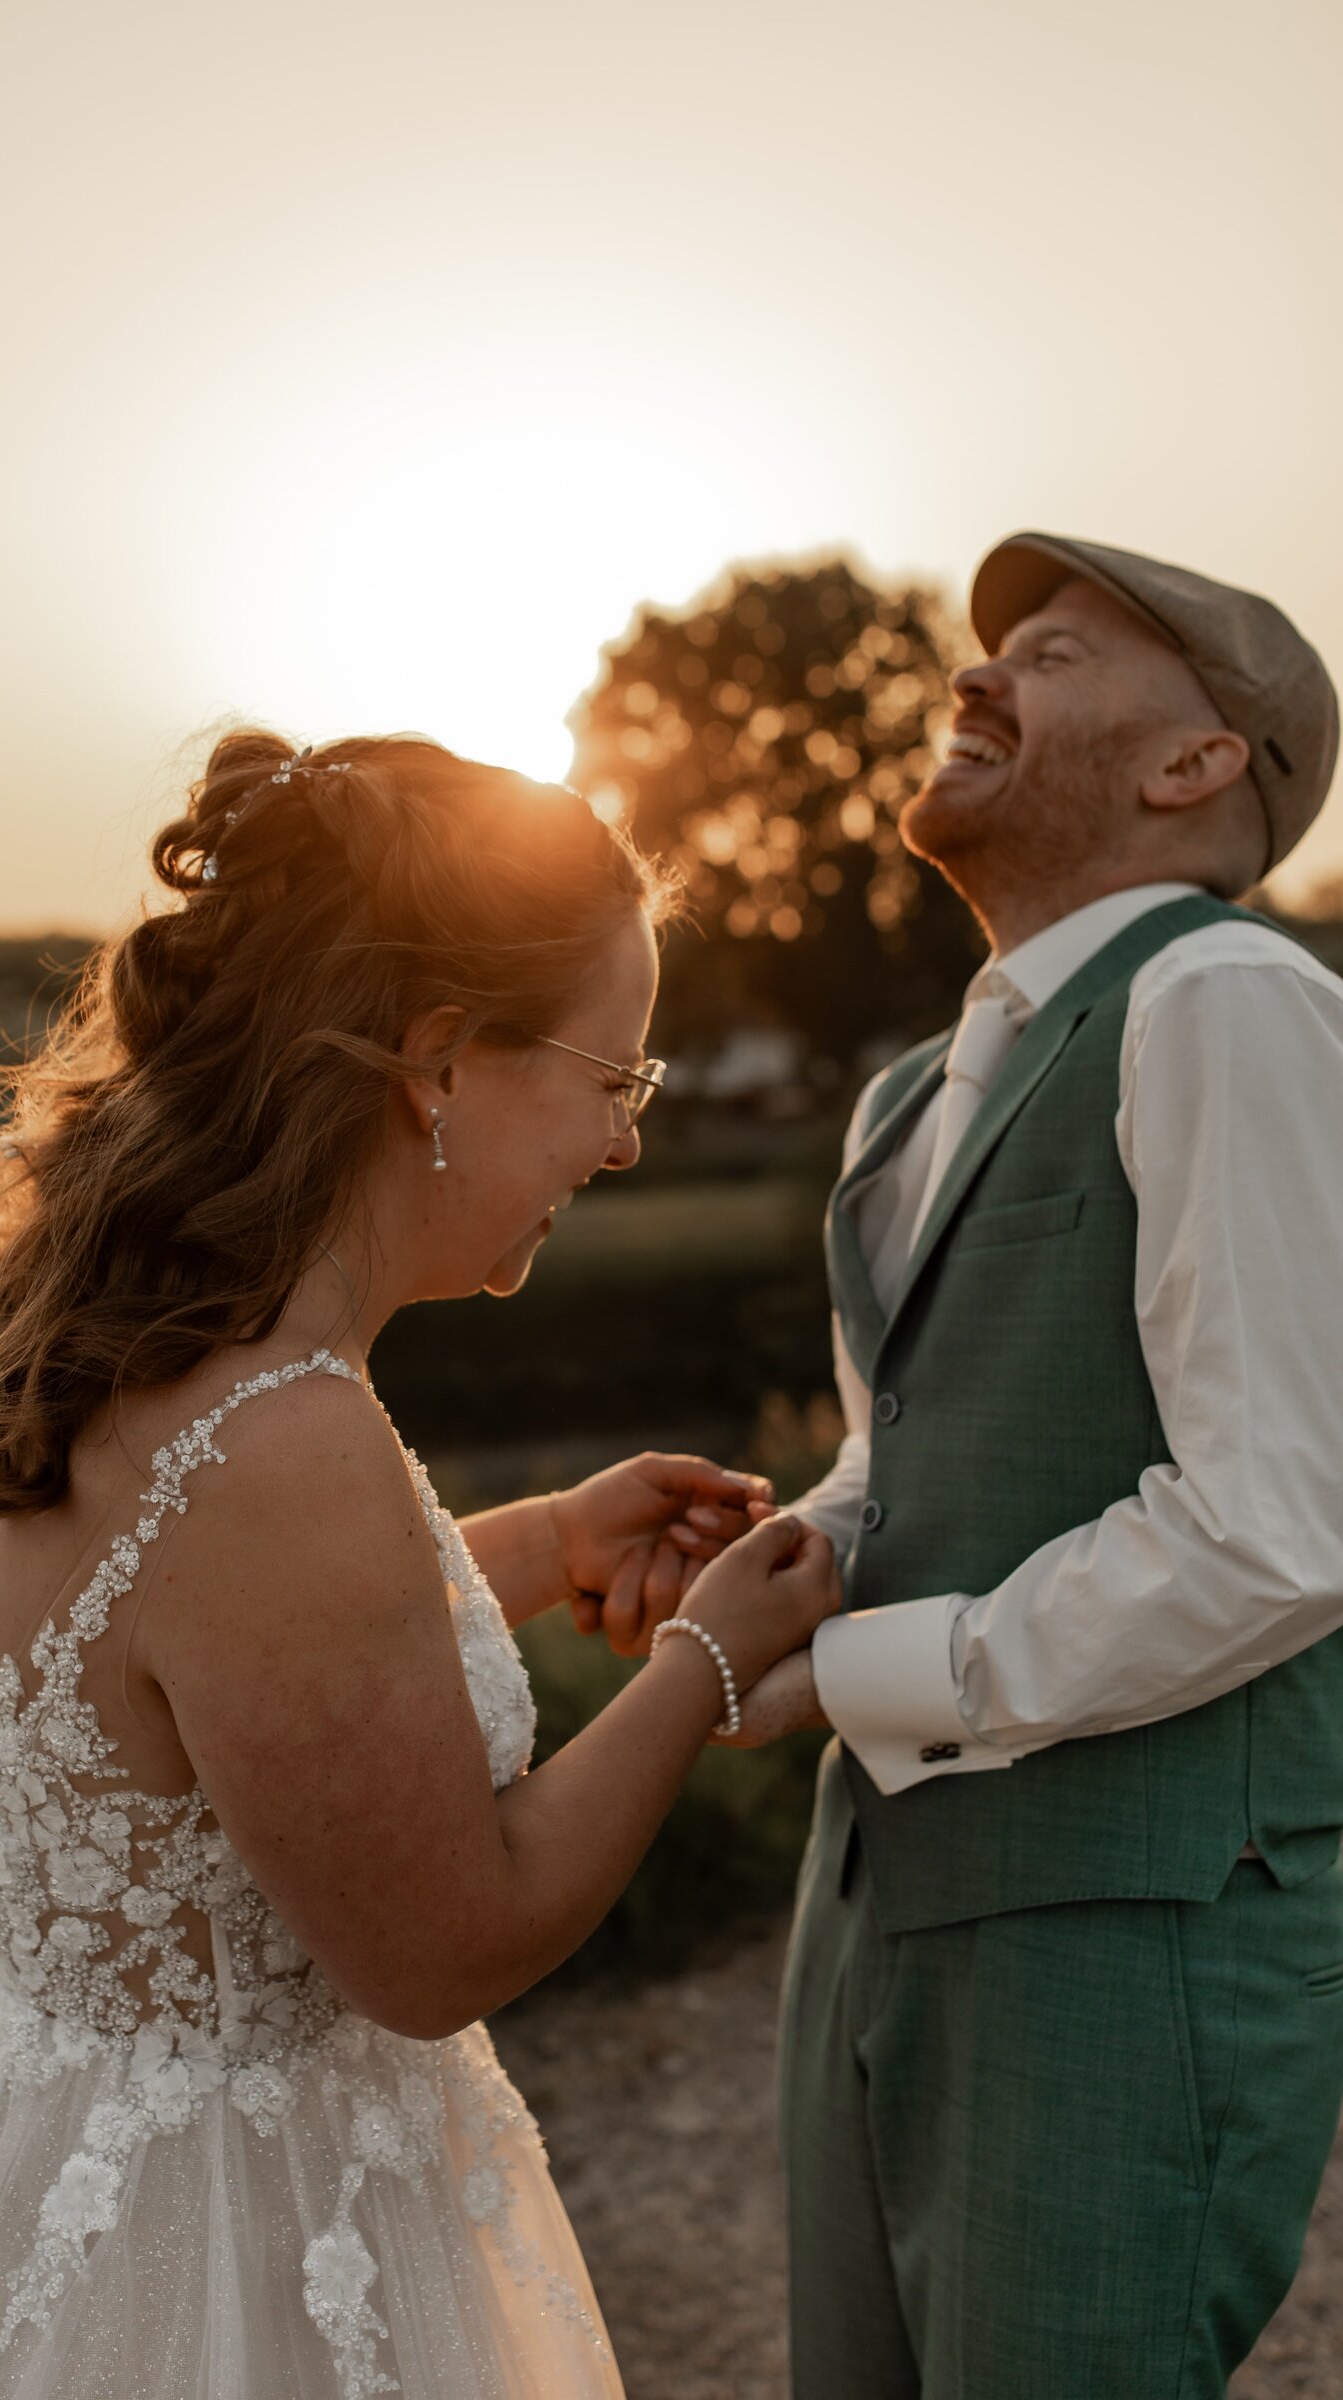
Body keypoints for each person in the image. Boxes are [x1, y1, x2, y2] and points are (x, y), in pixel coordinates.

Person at [0, 730, 839, 2400]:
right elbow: (443, 1946)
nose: (623, 1145)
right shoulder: (286, 1435)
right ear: (444, 1062)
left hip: (10, 2146)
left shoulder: (128, 1324)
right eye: (615, 1079)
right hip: (209, 2255)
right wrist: (706, 1660)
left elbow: (210, 1678)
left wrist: (545, 1542)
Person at [731, 535, 1343, 2397]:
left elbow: (1281, 1527)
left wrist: (851, 1676)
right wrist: (778, 1568)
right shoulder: (910, 1091)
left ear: (1194, 765)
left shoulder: (1227, 1000)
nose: (978, 678)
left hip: (1126, 1933)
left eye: (1055, 654)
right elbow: (904, 1459)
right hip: (875, 1896)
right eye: (985, 653)